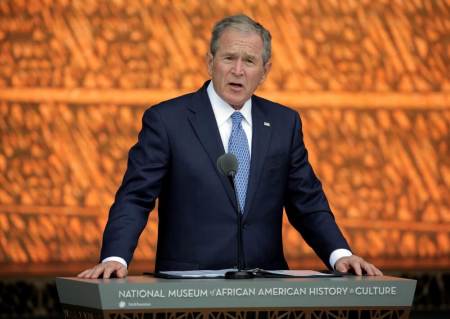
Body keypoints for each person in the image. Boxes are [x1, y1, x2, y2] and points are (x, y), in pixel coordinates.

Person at [78, 14, 382, 279]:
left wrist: (340, 254)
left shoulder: (284, 123)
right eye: (228, 58)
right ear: (210, 62)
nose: (238, 70)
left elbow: (308, 203)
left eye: (249, 61)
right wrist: (114, 258)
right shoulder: (167, 121)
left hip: (266, 289)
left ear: (265, 70)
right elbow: (135, 198)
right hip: (189, 291)